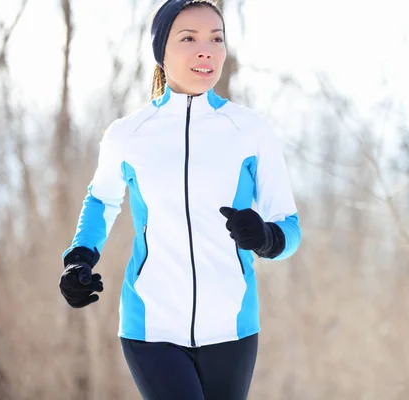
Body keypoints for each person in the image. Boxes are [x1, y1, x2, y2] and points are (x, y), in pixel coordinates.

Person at [58, 0, 302, 398]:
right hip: (151, 326)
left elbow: (290, 227)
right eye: (188, 38)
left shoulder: (249, 131)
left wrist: (266, 237)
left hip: (232, 327)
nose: (205, 49)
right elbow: (101, 201)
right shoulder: (129, 134)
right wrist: (78, 260)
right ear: (161, 51)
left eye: (216, 38)